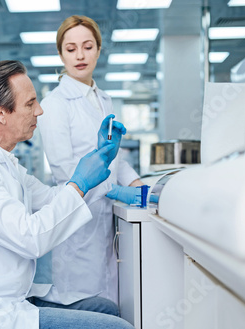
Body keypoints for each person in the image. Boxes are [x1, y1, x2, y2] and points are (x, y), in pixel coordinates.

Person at [0, 60, 137, 329]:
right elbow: (31, 239)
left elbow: (53, 198)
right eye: (30, 104)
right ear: (0, 113)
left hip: (12, 297)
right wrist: (78, 183)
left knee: (107, 308)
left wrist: (96, 161)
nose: (39, 111)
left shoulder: (4, 162)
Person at [36, 15, 145, 311]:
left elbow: (115, 157)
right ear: (61, 54)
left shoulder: (104, 99)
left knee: (111, 305)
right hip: (79, 228)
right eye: (70, 49)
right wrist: (113, 190)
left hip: (107, 225)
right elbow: (66, 172)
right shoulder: (55, 105)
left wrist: (140, 188)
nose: (80, 56)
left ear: (98, 49)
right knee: (88, 310)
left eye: (87, 46)